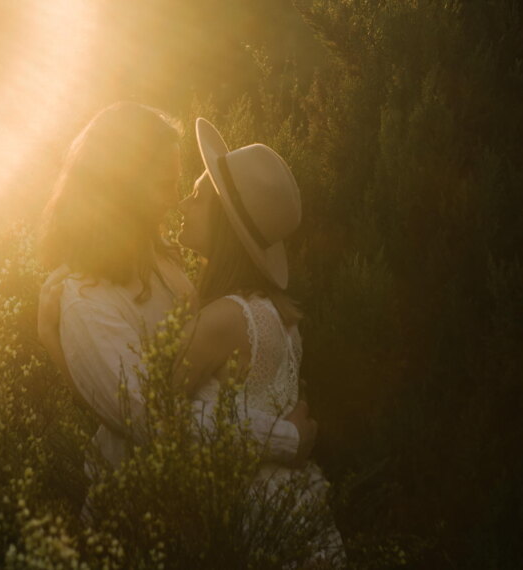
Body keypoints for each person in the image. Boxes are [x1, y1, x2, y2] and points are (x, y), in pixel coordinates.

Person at [36, 103, 317, 506]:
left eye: (183, 187)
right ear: (121, 188)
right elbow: (150, 417)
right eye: (165, 185)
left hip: (198, 503)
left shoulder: (163, 261)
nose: (175, 201)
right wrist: (285, 438)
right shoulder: (86, 302)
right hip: (138, 510)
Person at [171, 118, 345, 562]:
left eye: (197, 196)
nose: (183, 203)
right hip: (296, 509)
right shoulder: (281, 316)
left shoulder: (223, 318)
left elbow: (153, 411)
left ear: (223, 223)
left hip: (249, 520)